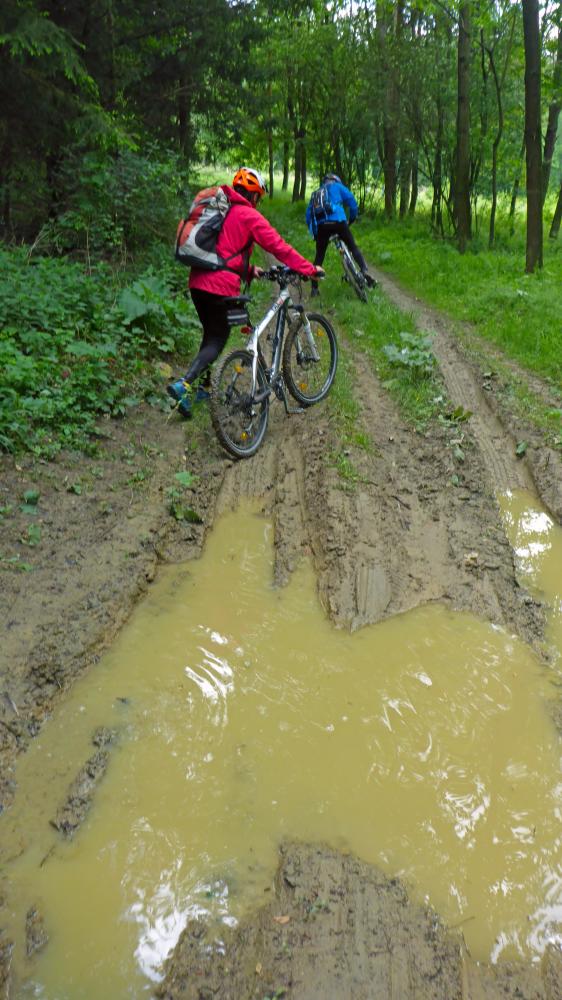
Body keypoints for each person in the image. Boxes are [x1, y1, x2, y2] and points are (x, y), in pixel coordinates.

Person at [167, 166, 324, 418]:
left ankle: (203, 389)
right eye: (258, 198)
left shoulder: (224, 210)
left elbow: (222, 251)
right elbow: (278, 247)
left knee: (210, 334)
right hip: (219, 286)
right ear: (253, 196)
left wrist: (250, 271)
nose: (258, 203)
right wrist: (308, 269)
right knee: (218, 338)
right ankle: (184, 384)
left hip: (198, 282)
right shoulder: (249, 216)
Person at [305, 173, 375, 296]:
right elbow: (352, 202)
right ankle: (364, 270)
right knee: (352, 246)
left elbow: (308, 216)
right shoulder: (337, 187)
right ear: (336, 180)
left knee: (319, 256)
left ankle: (314, 289)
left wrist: (315, 234)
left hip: (322, 227)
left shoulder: (316, 193)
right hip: (338, 221)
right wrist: (352, 219)